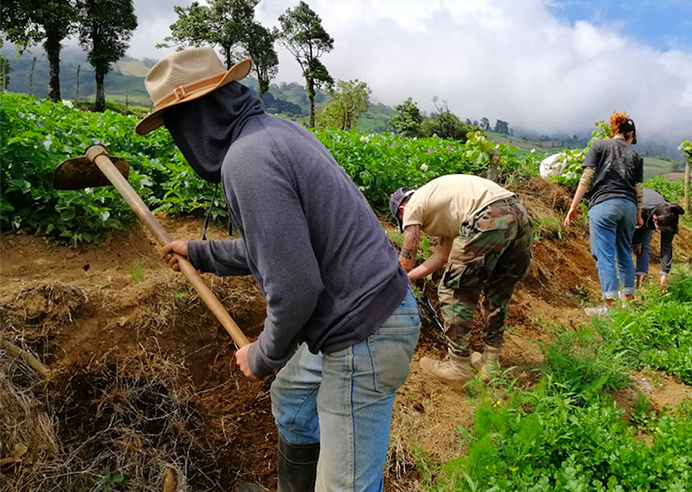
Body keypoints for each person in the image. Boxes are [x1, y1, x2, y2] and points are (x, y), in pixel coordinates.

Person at [140, 47, 420, 492]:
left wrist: (263, 354)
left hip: (364, 332)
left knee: (346, 486)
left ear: (197, 119)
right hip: (362, 314)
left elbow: (295, 285)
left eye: (177, 126)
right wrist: (199, 252)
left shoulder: (247, 160)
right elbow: (277, 248)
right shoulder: (274, 133)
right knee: (292, 402)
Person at [389, 174, 533, 386]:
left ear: (401, 211)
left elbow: (406, 259)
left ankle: (458, 365)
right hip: (520, 215)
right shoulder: (445, 203)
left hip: (489, 216)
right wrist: (410, 278)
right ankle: (490, 363)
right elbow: (442, 256)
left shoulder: (412, 205)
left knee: (452, 290)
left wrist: (394, 280)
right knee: (498, 292)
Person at [564, 112, 644, 313]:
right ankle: (630, 301)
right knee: (624, 252)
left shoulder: (599, 146)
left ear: (614, 130)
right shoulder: (635, 155)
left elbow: (587, 177)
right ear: (630, 134)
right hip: (628, 206)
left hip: (604, 204)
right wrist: (638, 214)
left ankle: (611, 306)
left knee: (605, 255)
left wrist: (573, 207)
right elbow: (638, 189)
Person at [633, 189, 685, 290]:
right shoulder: (643, 209)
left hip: (648, 216)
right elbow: (633, 225)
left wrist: (664, 274)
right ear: (655, 219)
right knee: (630, 246)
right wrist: (636, 241)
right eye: (660, 229)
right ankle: (626, 285)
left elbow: (666, 246)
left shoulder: (670, 217)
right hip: (633, 209)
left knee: (644, 247)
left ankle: (641, 280)